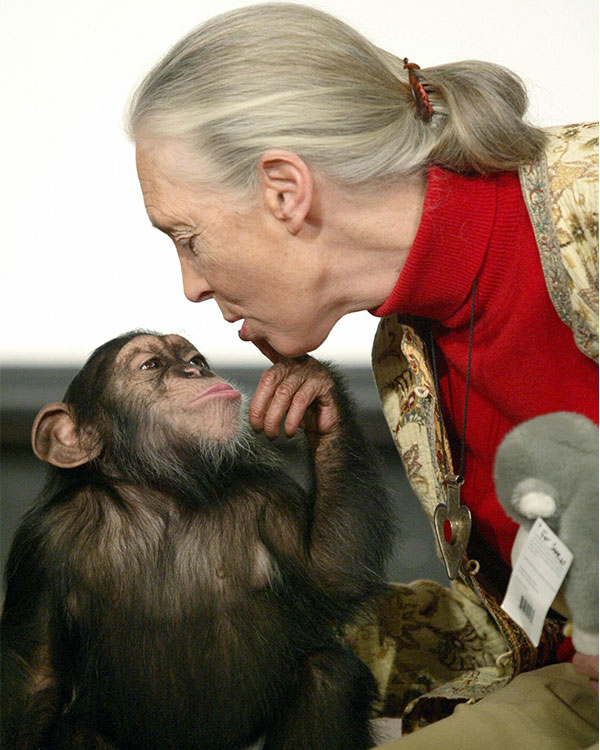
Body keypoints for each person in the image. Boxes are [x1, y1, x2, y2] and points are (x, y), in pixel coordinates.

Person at [127, 4, 598, 747]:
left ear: (285, 189)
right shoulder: (407, 352)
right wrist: (241, 615)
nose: (189, 285)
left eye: (188, 237)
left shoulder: (589, 203)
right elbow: (518, 625)